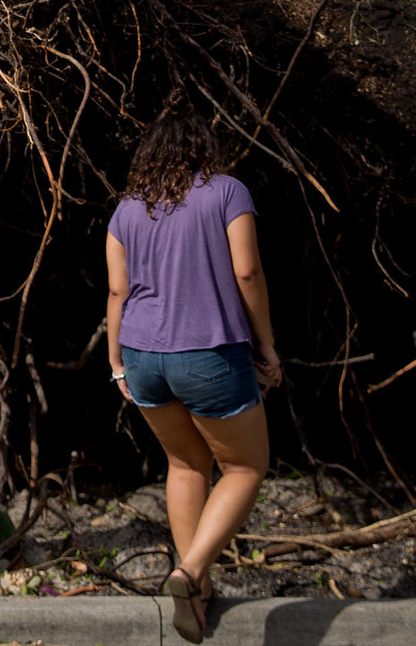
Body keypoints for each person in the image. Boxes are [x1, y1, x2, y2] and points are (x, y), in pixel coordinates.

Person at [104, 97, 282, 643]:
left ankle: (197, 594)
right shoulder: (228, 192)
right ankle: (190, 571)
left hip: (140, 355)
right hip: (207, 351)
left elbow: (117, 289)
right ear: (205, 148)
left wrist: (116, 365)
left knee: (185, 465)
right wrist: (267, 349)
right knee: (246, 467)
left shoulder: (128, 207)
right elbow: (247, 272)